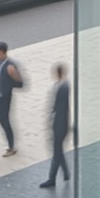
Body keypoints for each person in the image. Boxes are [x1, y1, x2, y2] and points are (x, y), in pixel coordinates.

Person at [38, 61, 74, 190]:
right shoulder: (63, 85)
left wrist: (52, 121)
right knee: (58, 151)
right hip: (60, 123)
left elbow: (60, 108)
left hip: (59, 124)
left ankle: (52, 178)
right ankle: (65, 173)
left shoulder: (62, 88)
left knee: (57, 151)